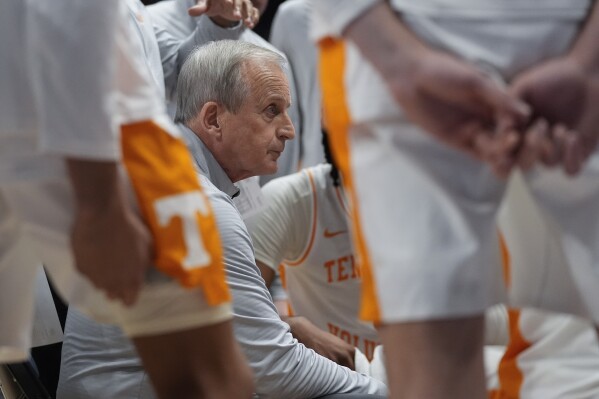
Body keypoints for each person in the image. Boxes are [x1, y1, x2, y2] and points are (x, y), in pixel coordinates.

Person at [57, 40, 387, 399]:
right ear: (213, 118)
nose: (289, 130)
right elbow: (277, 370)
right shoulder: (201, 207)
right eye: (271, 110)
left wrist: (282, 324)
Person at [311, 1, 599, 398]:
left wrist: (395, 56)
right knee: (433, 369)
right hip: (403, 47)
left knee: (435, 372)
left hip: (402, 42)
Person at [0, 1, 252, 398]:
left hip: (34, 122)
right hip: (114, 143)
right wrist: (101, 203)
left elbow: (168, 69)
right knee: (212, 379)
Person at [148, 0, 302, 184]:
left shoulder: (273, 58)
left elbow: (276, 176)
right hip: (164, 191)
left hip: (243, 207)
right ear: (212, 118)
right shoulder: (146, 22)